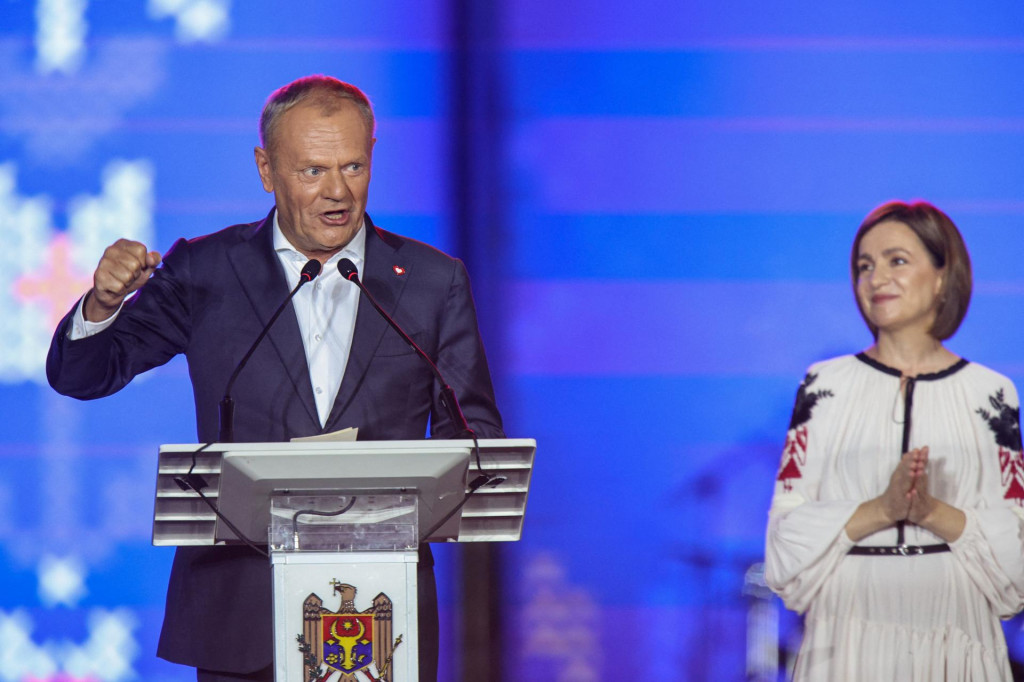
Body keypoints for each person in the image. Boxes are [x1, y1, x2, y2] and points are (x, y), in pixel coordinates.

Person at [46, 75, 504, 682]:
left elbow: (474, 439)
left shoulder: (428, 282)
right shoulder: (205, 272)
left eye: (353, 166)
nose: (337, 192)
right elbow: (84, 374)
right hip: (241, 615)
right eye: (312, 171)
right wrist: (102, 304)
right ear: (266, 169)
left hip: (378, 618)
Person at [765, 201, 1024, 680]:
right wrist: (882, 509)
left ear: (943, 276)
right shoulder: (823, 386)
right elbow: (783, 548)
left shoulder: (992, 394)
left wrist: (931, 512)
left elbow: (1018, 562)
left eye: (896, 261)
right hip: (846, 638)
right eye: (865, 266)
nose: (876, 277)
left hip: (957, 635)